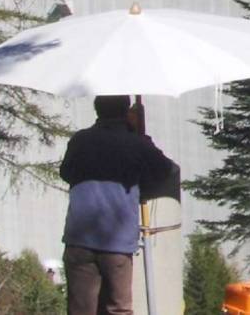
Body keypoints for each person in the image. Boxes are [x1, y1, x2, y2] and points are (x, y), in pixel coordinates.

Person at [60, 95, 175, 315]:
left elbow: (65, 173)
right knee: (118, 310)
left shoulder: (80, 139)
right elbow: (164, 170)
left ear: (97, 110)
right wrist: (139, 135)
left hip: (79, 238)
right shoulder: (136, 143)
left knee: (80, 310)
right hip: (117, 242)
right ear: (125, 112)